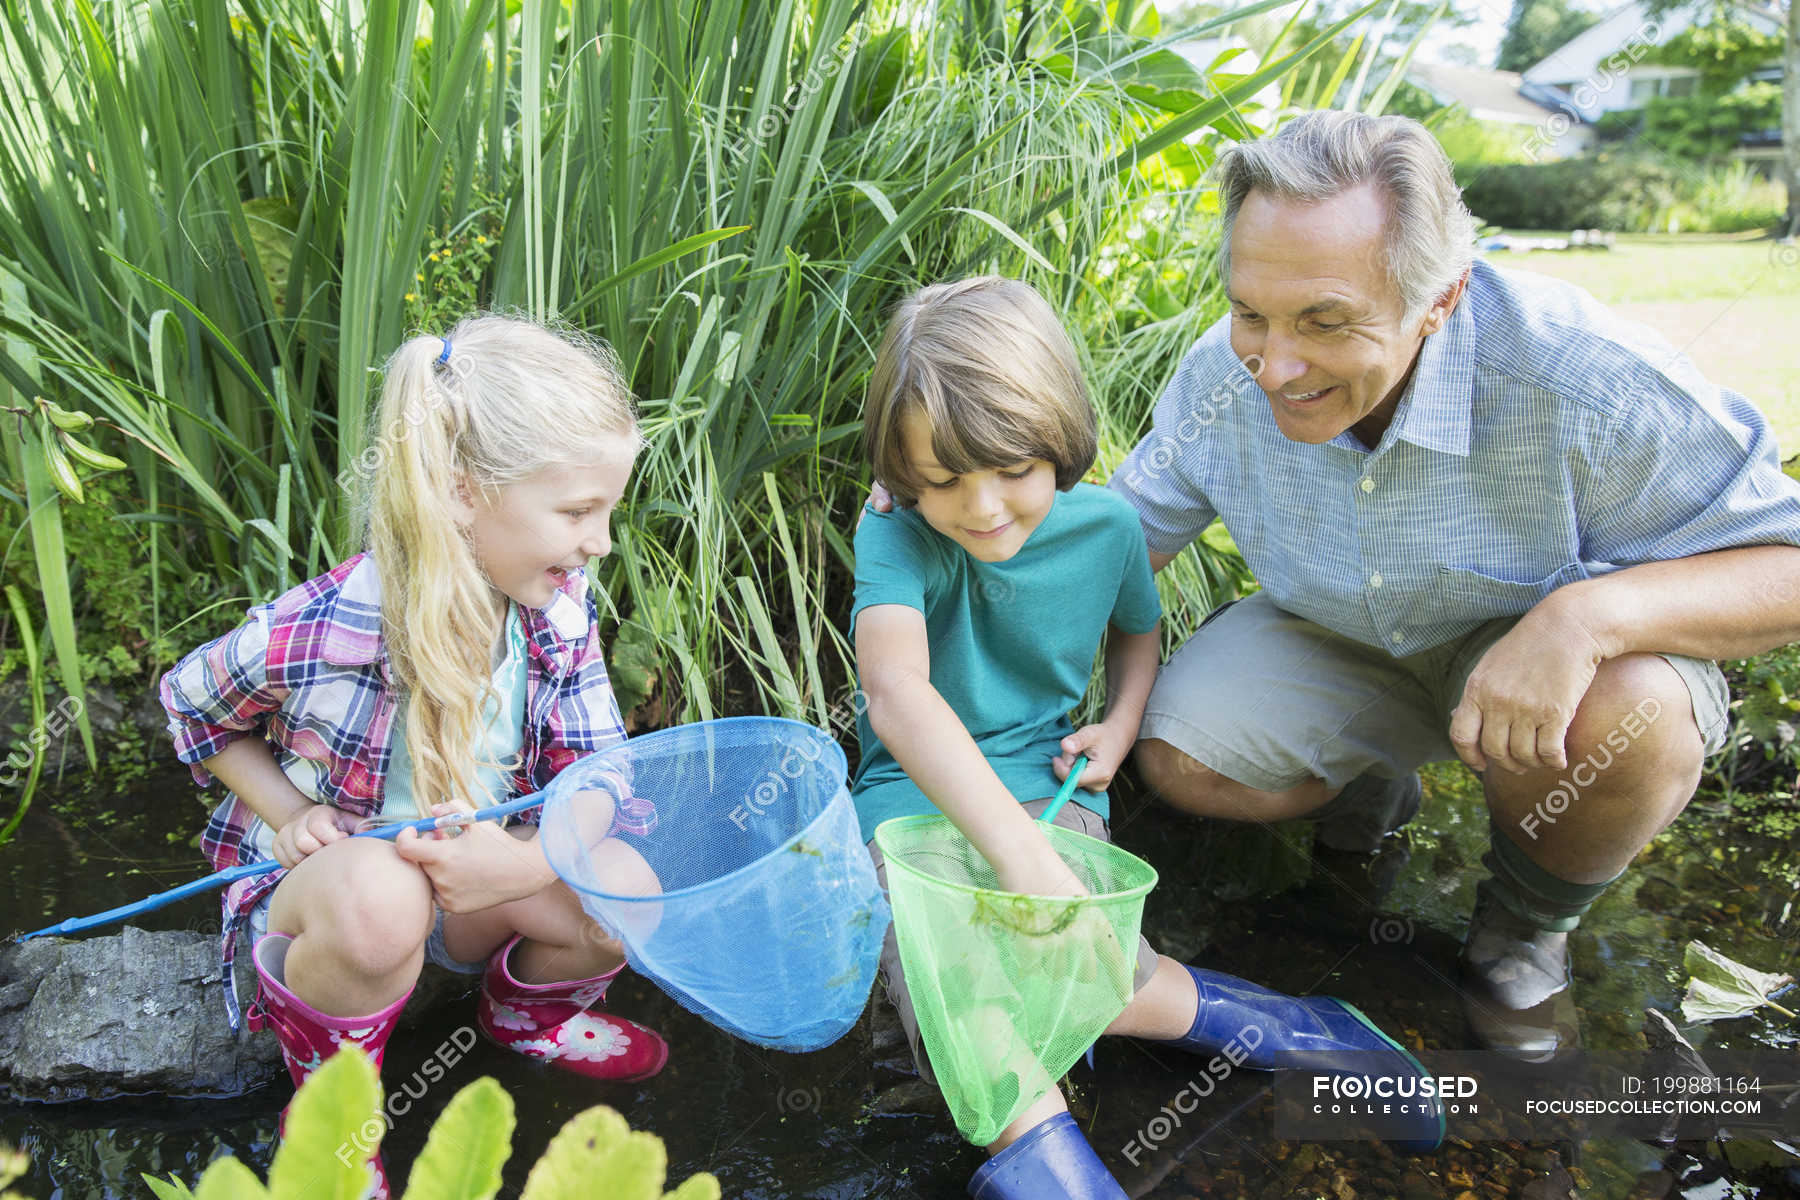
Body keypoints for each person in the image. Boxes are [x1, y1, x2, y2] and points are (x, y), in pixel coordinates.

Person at [1109, 111, 1800, 1059]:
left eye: (1325, 322)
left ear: (1441, 298)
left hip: (1553, 670)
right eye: (1249, 313)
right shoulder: (1218, 381)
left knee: (1631, 716)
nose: (1274, 365)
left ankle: (1525, 923)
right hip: (1335, 629)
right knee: (1182, 758)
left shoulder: (1588, 381)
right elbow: (1108, 555)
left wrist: (1589, 618)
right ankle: (1369, 786)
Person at [851, 277, 1440, 1199]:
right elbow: (897, 692)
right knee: (952, 976)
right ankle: (1048, 1158)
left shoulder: (1109, 528)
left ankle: (1293, 1028)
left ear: (1060, 440)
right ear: (901, 473)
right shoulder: (893, 534)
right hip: (908, 799)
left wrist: (1121, 726)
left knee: (1093, 973)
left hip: (1048, 782)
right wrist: (1012, 852)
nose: (983, 508)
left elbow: (1137, 630)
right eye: (942, 481)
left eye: (1013, 471)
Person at [160, 316, 667, 1192]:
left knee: (629, 890)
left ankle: (521, 1020)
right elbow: (193, 706)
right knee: (378, 896)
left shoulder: (557, 612)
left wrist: (524, 863)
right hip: (341, 897)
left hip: (471, 885)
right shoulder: (336, 623)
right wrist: (290, 815)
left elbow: (601, 773)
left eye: (607, 510)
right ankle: (333, 1111)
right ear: (463, 492)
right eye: (578, 511)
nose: (601, 541)